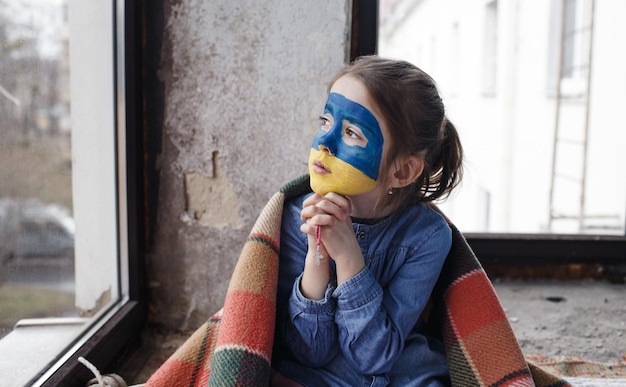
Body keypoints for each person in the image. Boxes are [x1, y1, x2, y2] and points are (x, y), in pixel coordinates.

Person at [271, 55, 463, 386]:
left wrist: (348, 259)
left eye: (351, 132)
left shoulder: (428, 236)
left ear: (402, 171)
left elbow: (374, 357)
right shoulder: (292, 217)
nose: (325, 144)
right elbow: (308, 352)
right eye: (326, 122)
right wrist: (317, 255)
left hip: (399, 375)